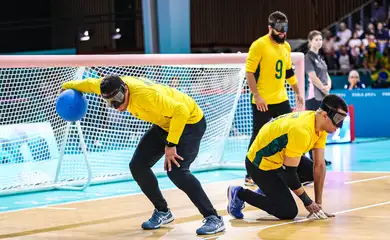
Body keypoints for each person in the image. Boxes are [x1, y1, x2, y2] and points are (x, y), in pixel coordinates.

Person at [61, 75, 225, 235]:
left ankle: (213, 217)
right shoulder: (109, 87)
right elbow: (89, 84)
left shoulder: (145, 96)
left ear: (125, 88)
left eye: (117, 98)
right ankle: (163, 212)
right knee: (138, 166)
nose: (115, 104)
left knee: (177, 172)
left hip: (189, 123)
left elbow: (180, 111)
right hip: (165, 124)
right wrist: (67, 86)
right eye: (109, 102)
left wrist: (171, 144)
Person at [227, 94, 348, 220]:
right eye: (337, 120)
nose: (339, 125)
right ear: (324, 115)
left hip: (279, 158)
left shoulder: (320, 125)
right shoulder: (302, 131)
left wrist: (318, 204)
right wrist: (308, 202)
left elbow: (320, 166)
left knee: (311, 172)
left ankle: (267, 191)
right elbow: (289, 174)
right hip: (259, 164)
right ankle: (239, 194)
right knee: (287, 211)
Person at [244, 11, 304, 186]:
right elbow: (249, 72)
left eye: (285, 29)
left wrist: (297, 91)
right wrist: (257, 95)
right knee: (258, 136)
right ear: (270, 28)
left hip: (281, 99)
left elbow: (288, 72)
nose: (282, 33)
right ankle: (250, 174)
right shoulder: (259, 45)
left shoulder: (285, 47)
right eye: (279, 29)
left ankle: (290, 171)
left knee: (291, 131)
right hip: (262, 101)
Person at [305, 30, 333, 165]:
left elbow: (326, 75)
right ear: (310, 42)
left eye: (320, 39)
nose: (319, 42)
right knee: (313, 128)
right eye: (316, 39)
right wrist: (324, 89)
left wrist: (329, 86)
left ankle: (319, 157)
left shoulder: (320, 58)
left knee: (321, 129)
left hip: (323, 96)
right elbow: (313, 77)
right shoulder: (308, 57)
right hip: (313, 97)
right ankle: (312, 158)